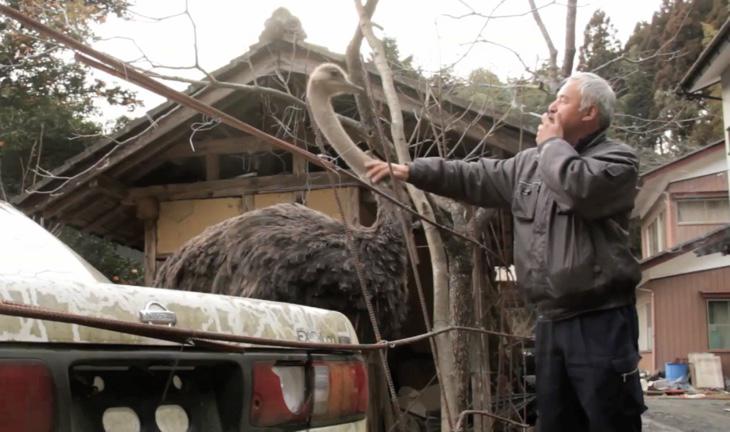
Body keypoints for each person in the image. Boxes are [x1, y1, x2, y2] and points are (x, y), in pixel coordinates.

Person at [366, 72, 646, 432]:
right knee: (556, 422)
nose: (551, 105)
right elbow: (475, 177)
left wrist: (551, 145)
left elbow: (578, 189)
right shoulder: (528, 164)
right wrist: (413, 171)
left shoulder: (617, 161)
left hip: (600, 320)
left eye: (562, 99)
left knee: (611, 420)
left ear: (590, 112)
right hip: (548, 322)